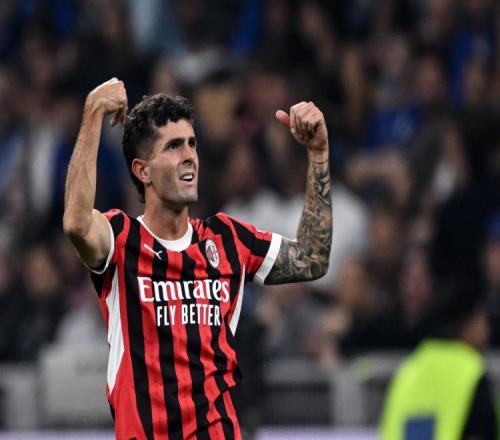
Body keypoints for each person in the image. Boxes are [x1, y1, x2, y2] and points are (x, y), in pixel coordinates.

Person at [63, 78, 332, 439]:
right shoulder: (120, 239)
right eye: (174, 146)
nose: (189, 155)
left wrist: (318, 155)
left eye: (191, 143)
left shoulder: (227, 239)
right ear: (143, 171)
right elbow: (76, 223)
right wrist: (94, 110)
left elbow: (312, 259)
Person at [380, 281, 498, 440]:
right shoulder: (469, 370)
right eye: (482, 317)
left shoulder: (407, 371)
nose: (486, 327)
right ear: (466, 323)